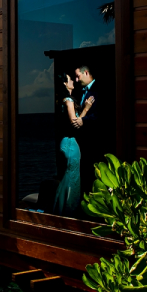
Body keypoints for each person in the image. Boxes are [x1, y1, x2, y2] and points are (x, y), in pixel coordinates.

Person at [52, 73, 93, 216]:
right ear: (64, 83)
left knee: (68, 177)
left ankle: (61, 209)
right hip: (70, 142)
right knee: (72, 178)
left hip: (67, 142)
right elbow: (74, 123)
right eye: (70, 79)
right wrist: (86, 109)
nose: (73, 81)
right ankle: (68, 211)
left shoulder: (65, 100)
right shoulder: (68, 100)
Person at [71, 65, 100, 195]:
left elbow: (103, 114)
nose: (77, 80)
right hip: (85, 141)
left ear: (86, 73)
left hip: (95, 141)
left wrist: (84, 120)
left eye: (78, 76)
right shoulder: (84, 91)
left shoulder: (99, 89)